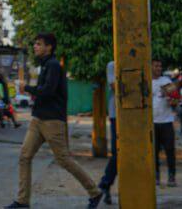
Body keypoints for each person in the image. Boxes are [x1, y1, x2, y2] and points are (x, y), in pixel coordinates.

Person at [7, 33, 103, 209]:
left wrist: (26, 88)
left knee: (64, 160)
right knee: (25, 156)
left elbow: (48, 91)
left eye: (38, 44)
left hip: (52, 121)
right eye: (35, 44)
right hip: (38, 119)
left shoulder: (53, 66)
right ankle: (22, 201)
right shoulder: (45, 65)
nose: (35, 47)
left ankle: (95, 192)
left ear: (48, 47)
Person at [151, 58, 178, 186]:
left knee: (170, 150)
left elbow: (175, 100)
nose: (158, 68)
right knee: (154, 151)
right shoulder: (145, 82)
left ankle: (172, 177)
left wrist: (173, 101)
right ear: (150, 67)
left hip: (167, 121)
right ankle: (156, 176)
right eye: (156, 66)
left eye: (160, 66)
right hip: (152, 123)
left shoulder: (166, 81)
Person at [96, 60, 118, 205]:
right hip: (117, 114)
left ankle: (105, 185)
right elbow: (115, 86)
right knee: (118, 152)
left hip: (137, 116)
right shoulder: (113, 65)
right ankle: (106, 185)